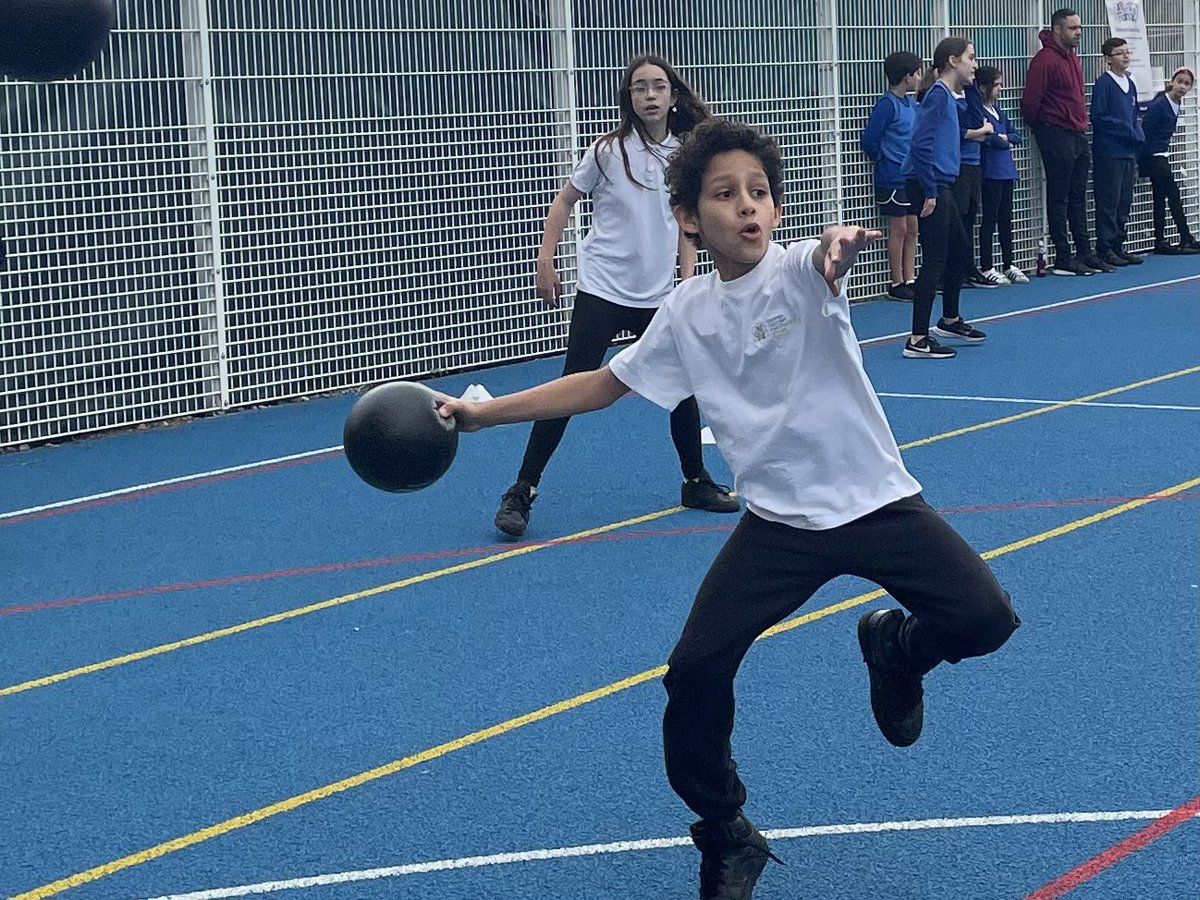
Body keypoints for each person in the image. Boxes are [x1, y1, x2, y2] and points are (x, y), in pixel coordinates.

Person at [437, 118, 1020, 900]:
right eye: (724, 194)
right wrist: (483, 412)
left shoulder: (798, 275)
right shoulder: (685, 313)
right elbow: (602, 386)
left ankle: (895, 651)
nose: (746, 206)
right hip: (779, 526)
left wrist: (835, 249)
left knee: (985, 620)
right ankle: (726, 835)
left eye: (759, 193)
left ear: (776, 211)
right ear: (688, 218)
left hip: (877, 504)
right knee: (694, 672)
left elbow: (824, 259)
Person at [492, 54, 738, 539]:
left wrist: (684, 280)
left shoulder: (685, 157)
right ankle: (522, 489)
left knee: (681, 385)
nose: (649, 95)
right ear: (628, 99)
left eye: (658, 86)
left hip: (655, 294)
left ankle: (695, 479)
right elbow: (565, 200)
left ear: (672, 95)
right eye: (639, 88)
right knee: (571, 387)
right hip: (602, 289)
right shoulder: (608, 151)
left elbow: (685, 224)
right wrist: (547, 259)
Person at [901, 37, 989, 360]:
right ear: (952, 61)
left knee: (961, 249)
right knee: (936, 258)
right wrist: (929, 189)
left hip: (942, 183)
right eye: (970, 57)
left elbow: (975, 120)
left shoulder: (953, 96)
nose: (975, 64)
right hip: (930, 184)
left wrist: (970, 91)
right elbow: (921, 144)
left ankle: (949, 319)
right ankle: (917, 338)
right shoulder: (937, 96)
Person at [1022, 9, 1115, 275]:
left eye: (1080, 27)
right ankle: (1063, 256)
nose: (1079, 33)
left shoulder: (1072, 57)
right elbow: (1031, 103)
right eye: (1073, 28)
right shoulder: (1044, 61)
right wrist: (1047, 127)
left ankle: (1084, 252)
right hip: (1056, 132)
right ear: (1058, 30)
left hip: (1076, 132)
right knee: (1060, 196)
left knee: (1077, 196)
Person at [861, 51, 922, 301]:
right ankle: (896, 281)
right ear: (907, 76)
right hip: (892, 176)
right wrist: (884, 158)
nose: (919, 78)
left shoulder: (912, 104)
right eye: (917, 73)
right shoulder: (887, 104)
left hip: (911, 175)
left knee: (913, 227)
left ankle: (910, 277)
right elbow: (870, 139)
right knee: (898, 228)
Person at [1091, 37, 1145, 267]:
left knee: (1124, 200)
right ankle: (1105, 247)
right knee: (1109, 200)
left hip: (1127, 152)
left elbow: (1133, 115)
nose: (1125, 56)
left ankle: (1118, 244)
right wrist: (1125, 129)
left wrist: (1137, 132)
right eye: (1119, 53)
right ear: (1107, 59)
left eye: (1127, 52)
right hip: (1109, 152)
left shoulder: (1130, 84)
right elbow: (1099, 117)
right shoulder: (1104, 84)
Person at [976, 65, 1030, 284]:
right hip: (990, 173)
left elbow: (1015, 135)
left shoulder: (999, 111)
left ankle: (1009, 263)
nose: (1000, 89)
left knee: (1006, 219)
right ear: (983, 87)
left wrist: (1004, 138)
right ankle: (987, 265)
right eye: (996, 85)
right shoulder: (979, 113)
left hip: (1007, 171)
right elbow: (991, 140)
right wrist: (1002, 138)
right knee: (989, 219)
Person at [1139, 67, 1200, 255]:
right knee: (1173, 195)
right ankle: (1185, 237)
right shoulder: (1160, 105)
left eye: (1186, 84)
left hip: (1161, 154)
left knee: (1160, 196)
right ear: (1172, 81)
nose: (1182, 86)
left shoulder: (1176, 105)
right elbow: (1146, 130)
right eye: (1179, 81)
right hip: (1153, 156)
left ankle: (1160, 240)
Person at [954, 79, 1002, 288]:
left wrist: (982, 131)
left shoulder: (969, 97)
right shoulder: (947, 99)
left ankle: (966, 265)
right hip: (960, 164)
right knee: (959, 217)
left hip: (974, 164)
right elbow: (962, 131)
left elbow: (981, 127)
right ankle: (956, 268)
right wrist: (981, 131)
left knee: (971, 214)